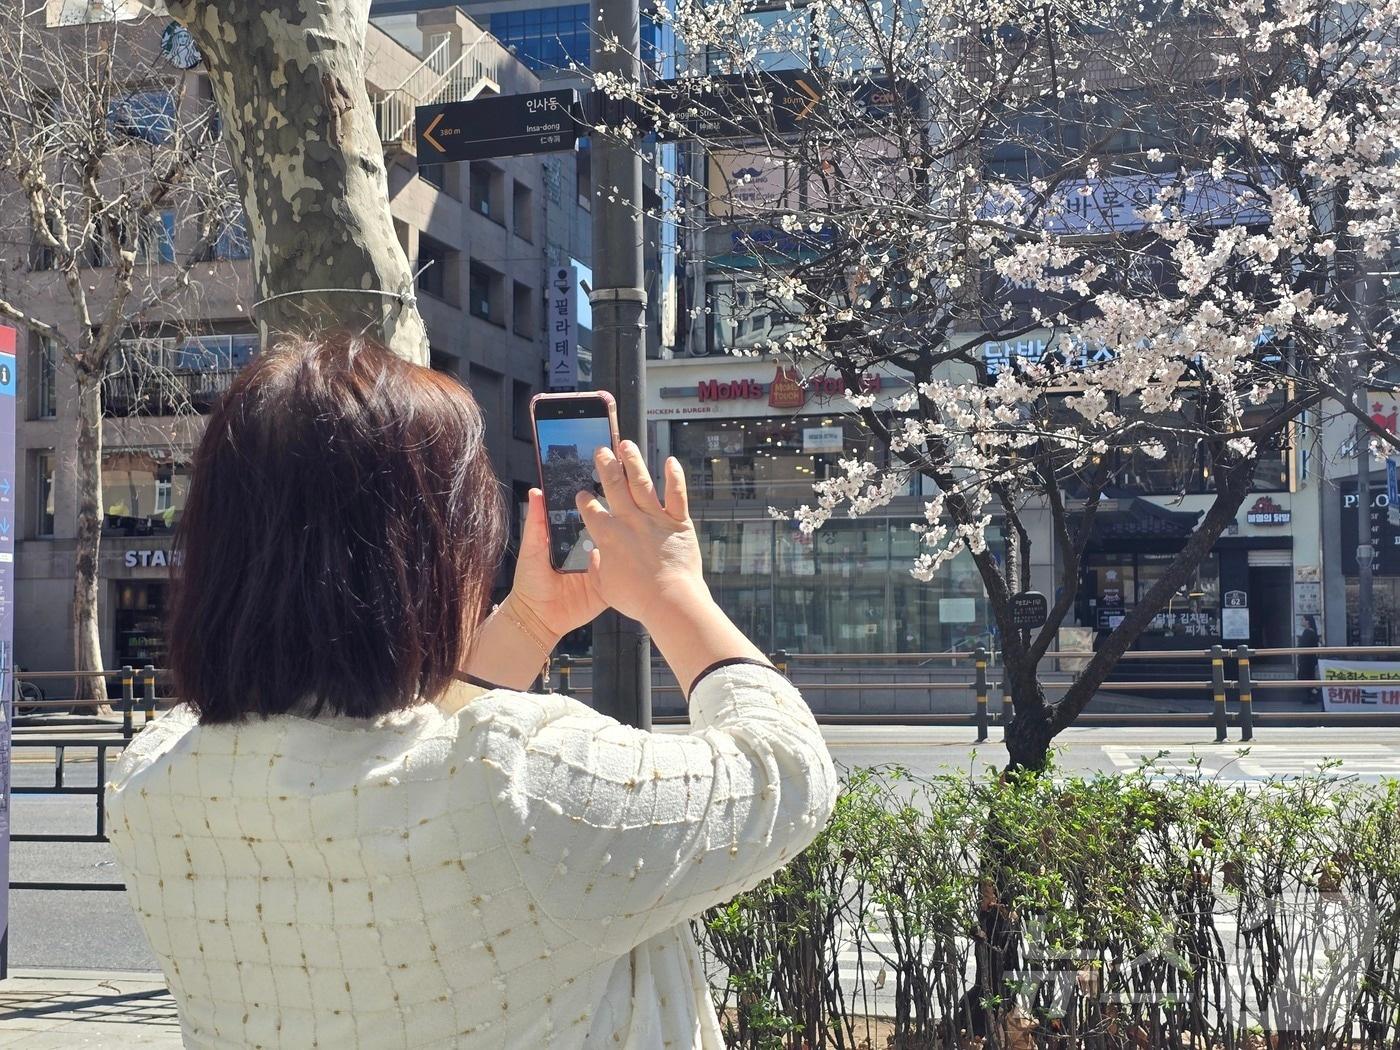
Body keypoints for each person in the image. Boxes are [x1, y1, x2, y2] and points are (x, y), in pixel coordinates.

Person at [104, 335, 837, 1049]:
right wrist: (673, 591)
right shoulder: (525, 782)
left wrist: (526, 622)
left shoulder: (153, 781)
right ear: (429, 557)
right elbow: (787, 772)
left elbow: (396, 752)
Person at [1297, 613, 1321, 703]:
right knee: (1309, 678)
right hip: (1310, 660)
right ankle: (1312, 695)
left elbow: (1303, 646)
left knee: (1305, 678)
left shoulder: (1307, 632)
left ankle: (1314, 694)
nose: (1301, 621)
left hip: (1306, 660)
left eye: (1303, 619)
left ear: (1308, 621)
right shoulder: (1312, 632)